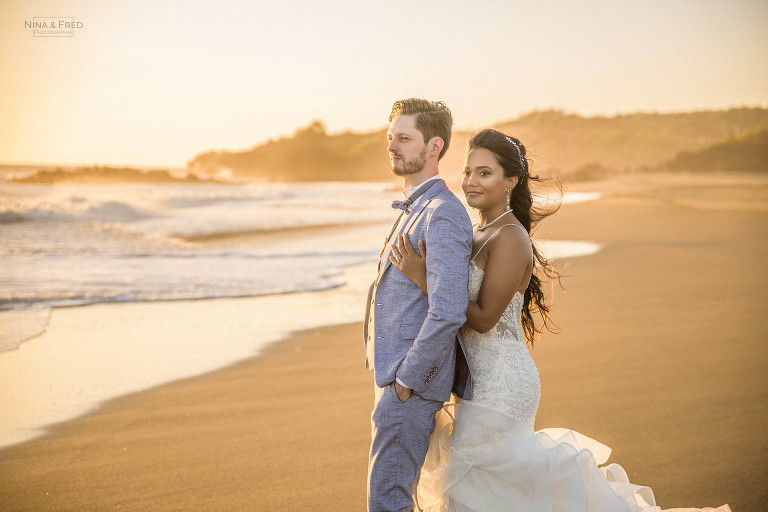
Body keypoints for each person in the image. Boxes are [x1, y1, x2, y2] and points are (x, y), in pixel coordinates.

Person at [390, 128, 731, 512]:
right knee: (485, 492)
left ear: (510, 181)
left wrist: (423, 279)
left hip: (499, 384)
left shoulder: (510, 237)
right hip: (475, 382)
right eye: (467, 172)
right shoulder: (475, 232)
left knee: (477, 490)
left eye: (484, 173)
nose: (470, 182)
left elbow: (484, 319)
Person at [364, 98, 474, 512]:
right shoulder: (417, 207)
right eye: (391, 137)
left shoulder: (442, 213)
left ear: (434, 147)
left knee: (388, 502)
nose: (393, 146)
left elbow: (448, 308)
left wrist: (407, 380)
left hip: (409, 382)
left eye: (404, 139)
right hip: (396, 378)